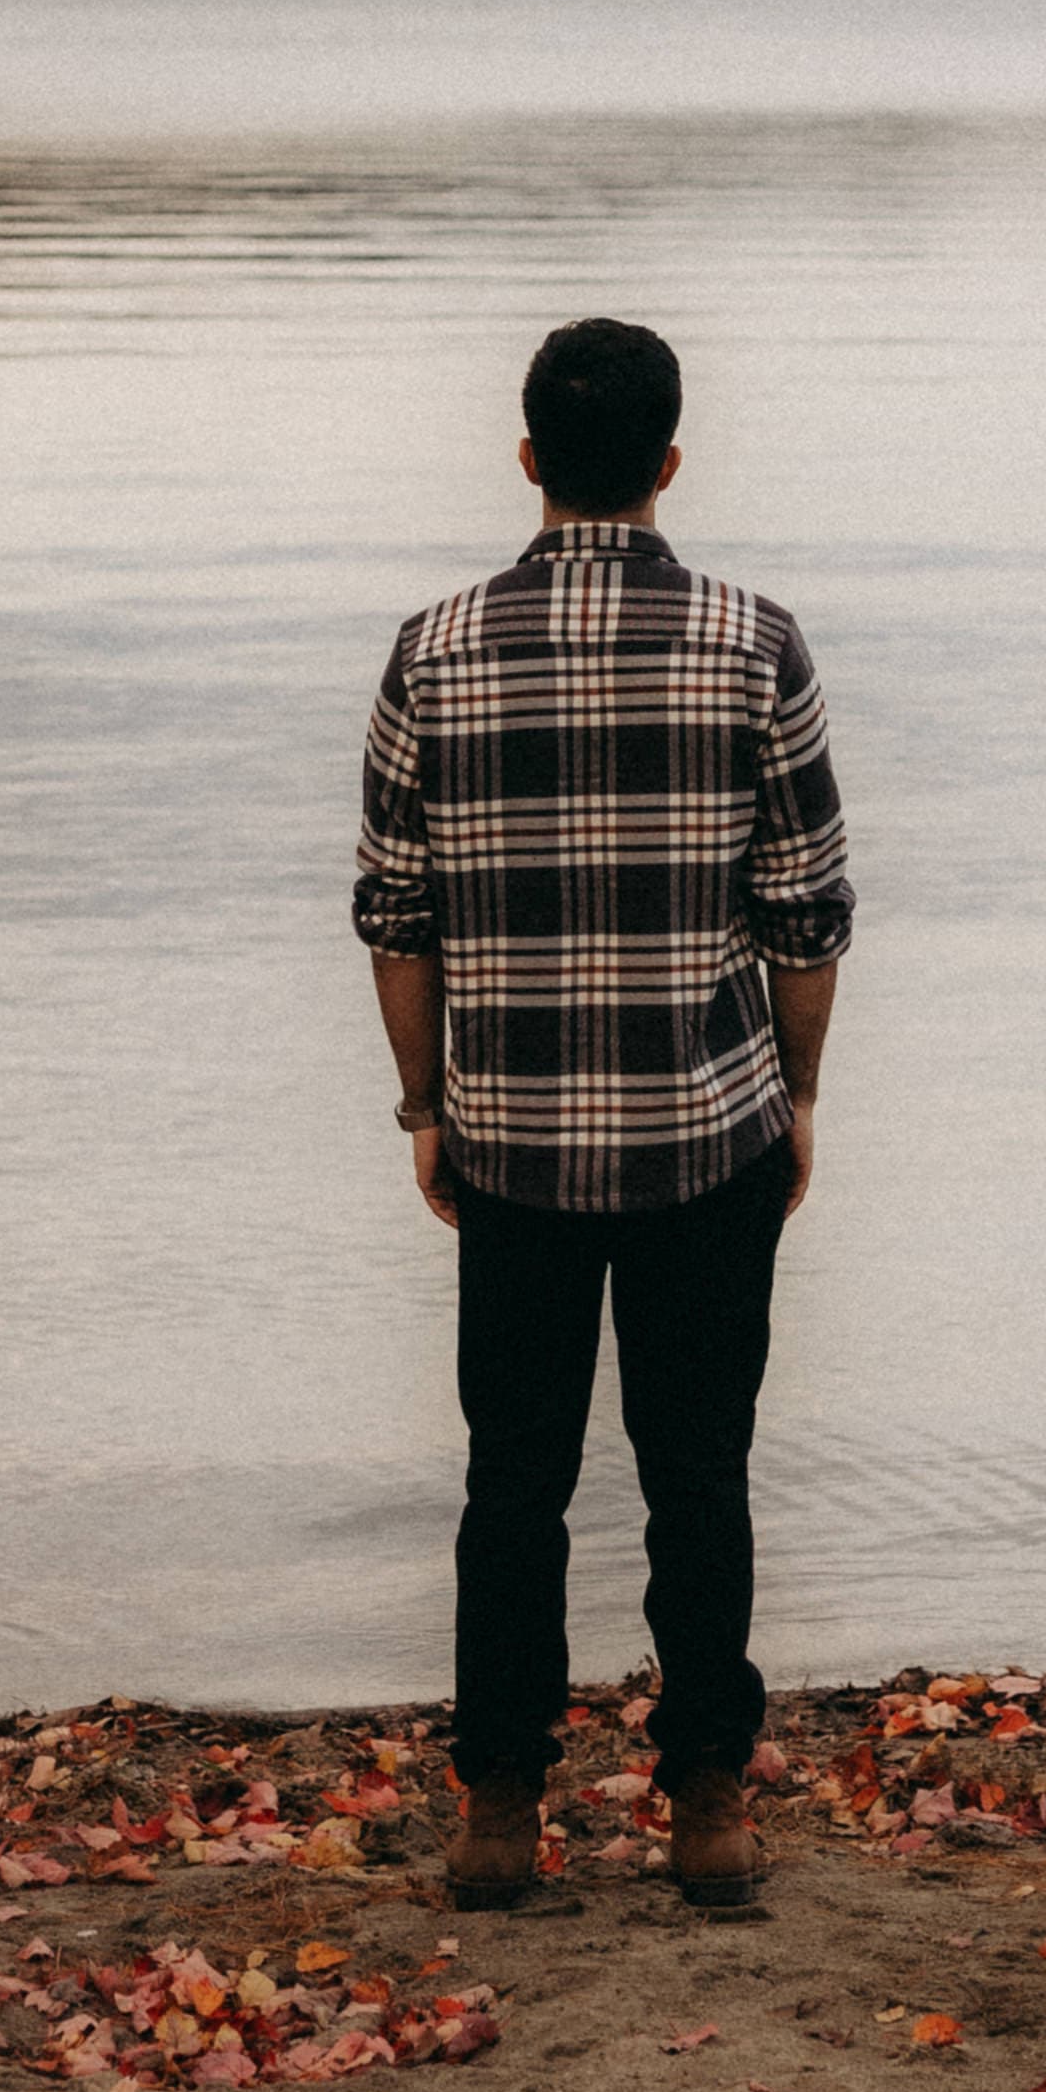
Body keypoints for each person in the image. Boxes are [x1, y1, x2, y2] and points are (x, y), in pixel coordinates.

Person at [353, 315, 853, 1912]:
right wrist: (800, 1092)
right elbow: (809, 915)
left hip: (510, 1141)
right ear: (668, 462)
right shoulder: (753, 641)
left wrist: (423, 1102)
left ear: (527, 463)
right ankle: (706, 1795)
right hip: (707, 1130)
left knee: (516, 1479)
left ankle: (502, 1803)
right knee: (699, 1471)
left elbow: (396, 914)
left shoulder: (432, 650)